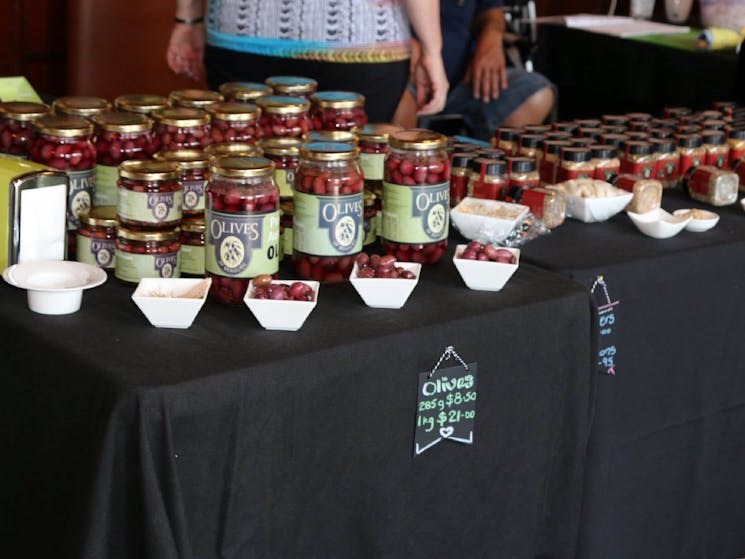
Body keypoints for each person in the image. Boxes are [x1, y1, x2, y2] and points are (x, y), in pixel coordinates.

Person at [166, 0, 449, 123]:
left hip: (241, 33)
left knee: (246, 180)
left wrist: (188, 18)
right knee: (343, 183)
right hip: (357, 41)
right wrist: (431, 50)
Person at [392, 0, 555, 140]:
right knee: (397, 97)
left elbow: (491, 10)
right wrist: (402, 42)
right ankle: (405, 168)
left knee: (535, 92)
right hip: (411, 76)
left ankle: (488, 168)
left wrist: (492, 35)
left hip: (465, 74)